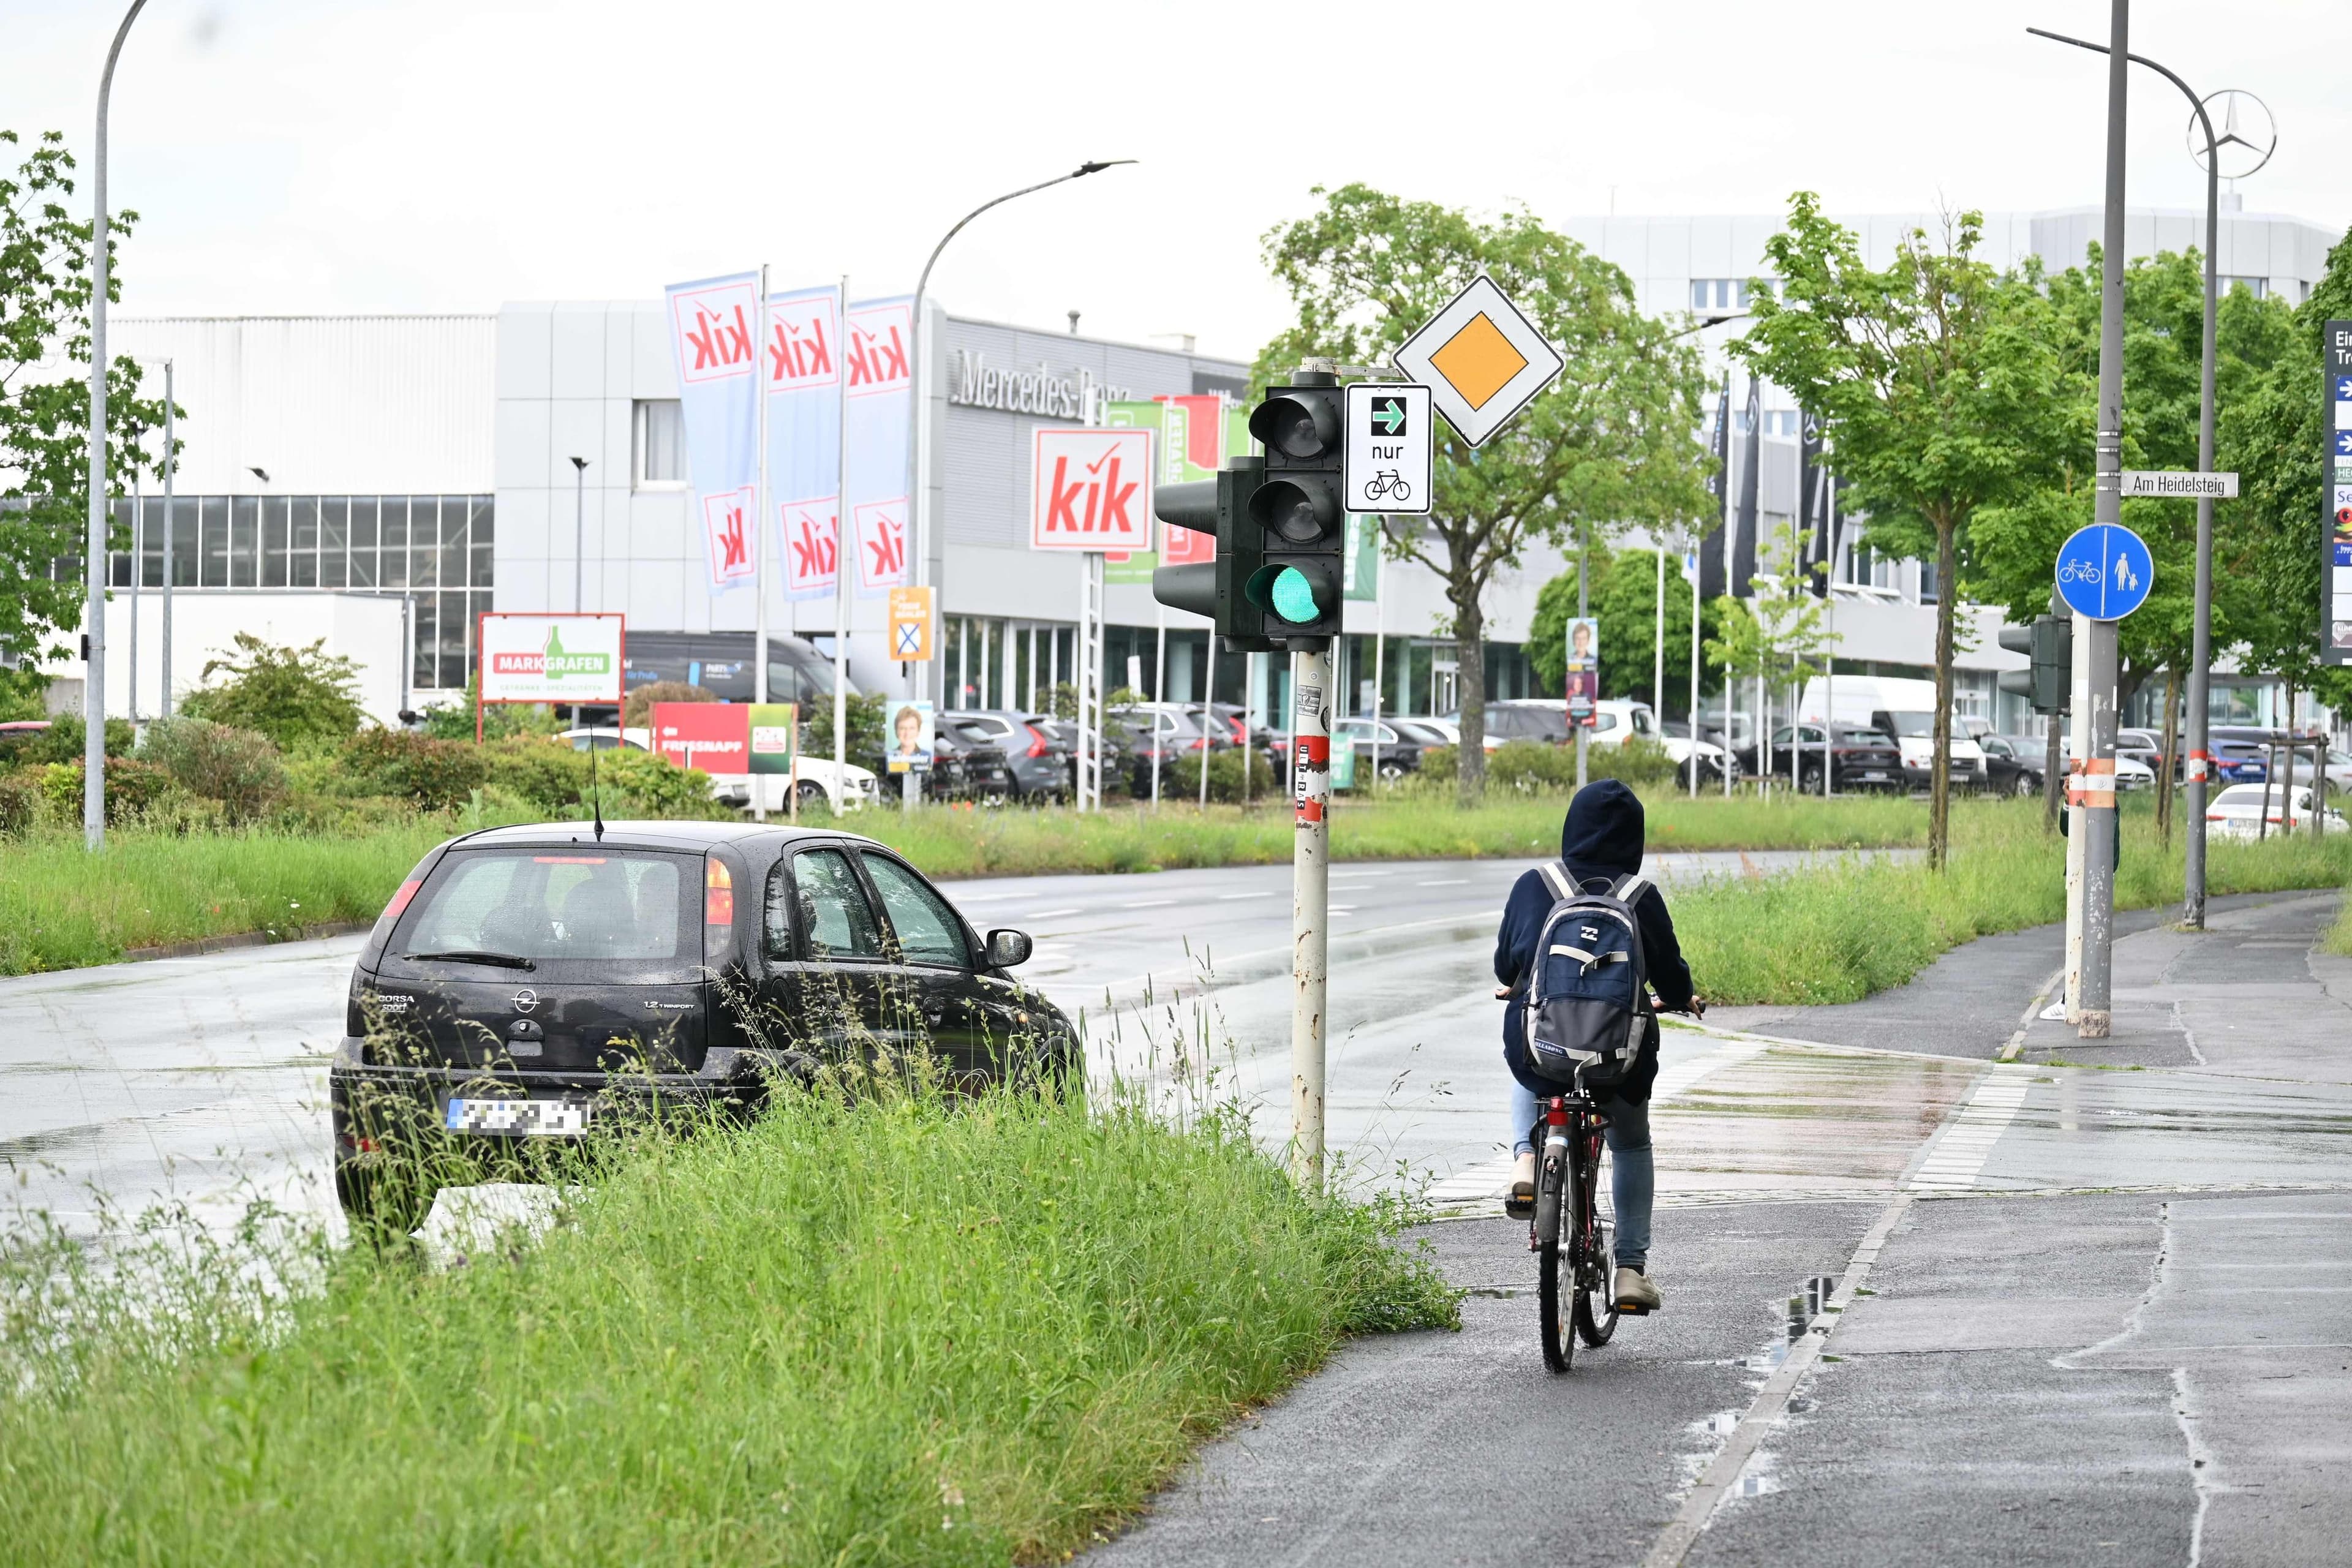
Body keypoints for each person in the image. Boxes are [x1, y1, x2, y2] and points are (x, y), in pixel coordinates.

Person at [1493, 778, 1700, 1314]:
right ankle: (1630, 1269)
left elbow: (1506, 966)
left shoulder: (1536, 884)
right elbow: (1673, 982)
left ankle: (1524, 1159)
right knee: (1631, 1143)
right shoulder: (1640, 897)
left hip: (1546, 1051)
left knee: (1529, 1063)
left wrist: (1518, 983)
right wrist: (1681, 999)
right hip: (1618, 1060)